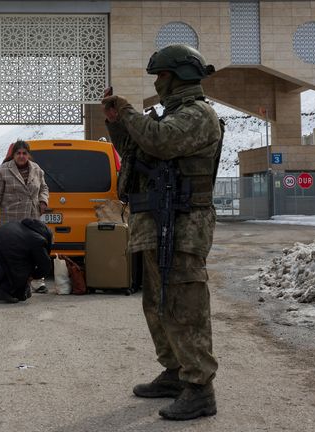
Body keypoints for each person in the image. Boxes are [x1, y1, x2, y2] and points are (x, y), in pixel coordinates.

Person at [102, 44, 222, 421]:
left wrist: (129, 112)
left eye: (161, 76)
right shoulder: (167, 116)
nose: (157, 83)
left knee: (185, 307)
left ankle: (200, 388)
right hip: (157, 221)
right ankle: (175, 373)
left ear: (179, 76)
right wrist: (116, 122)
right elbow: (139, 150)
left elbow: (160, 141)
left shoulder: (197, 115)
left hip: (184, 225)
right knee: (158, 304)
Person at [0, 140, 50, 292]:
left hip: (32, 219)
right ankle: (11, 281)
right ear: (13, 155)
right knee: (12, 252)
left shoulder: (37, 170)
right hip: (11, 220)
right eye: (18, 153)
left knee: (34, 249)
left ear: (28, 155)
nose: (21, 156)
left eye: (24, 153)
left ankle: (37, 282)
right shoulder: (3, 170)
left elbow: (44, 188)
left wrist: (43, 201)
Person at [0, 219, 52, 303]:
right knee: (24, 268)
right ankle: (4, 290)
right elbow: (45, 266)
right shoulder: (38, 240)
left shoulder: (13, 224)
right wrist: (32, 276)